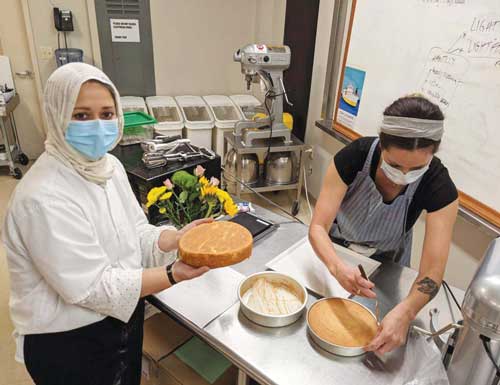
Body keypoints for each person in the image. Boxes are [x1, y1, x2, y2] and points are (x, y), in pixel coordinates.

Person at [2, 62, 211, 385]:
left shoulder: (108, 167)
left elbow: (136, 232)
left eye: (107, 113)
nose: (98, 125)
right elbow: (92, 287)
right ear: (57, 115)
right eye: (82, 115)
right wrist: (172, 274)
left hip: (120, 321)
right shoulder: (42, 197)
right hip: (68, 340)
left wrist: (172, 239)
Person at [309, 95, 459, 355]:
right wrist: (336, 267)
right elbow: (318, 227)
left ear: (432, 155)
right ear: (381, 145)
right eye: (394, 164)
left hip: (388, 262)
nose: (403, 176)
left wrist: (407, 312)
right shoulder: (354, 157)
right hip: (338, 249)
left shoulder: (439, 185)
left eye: (416, 168)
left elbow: (432, 272)